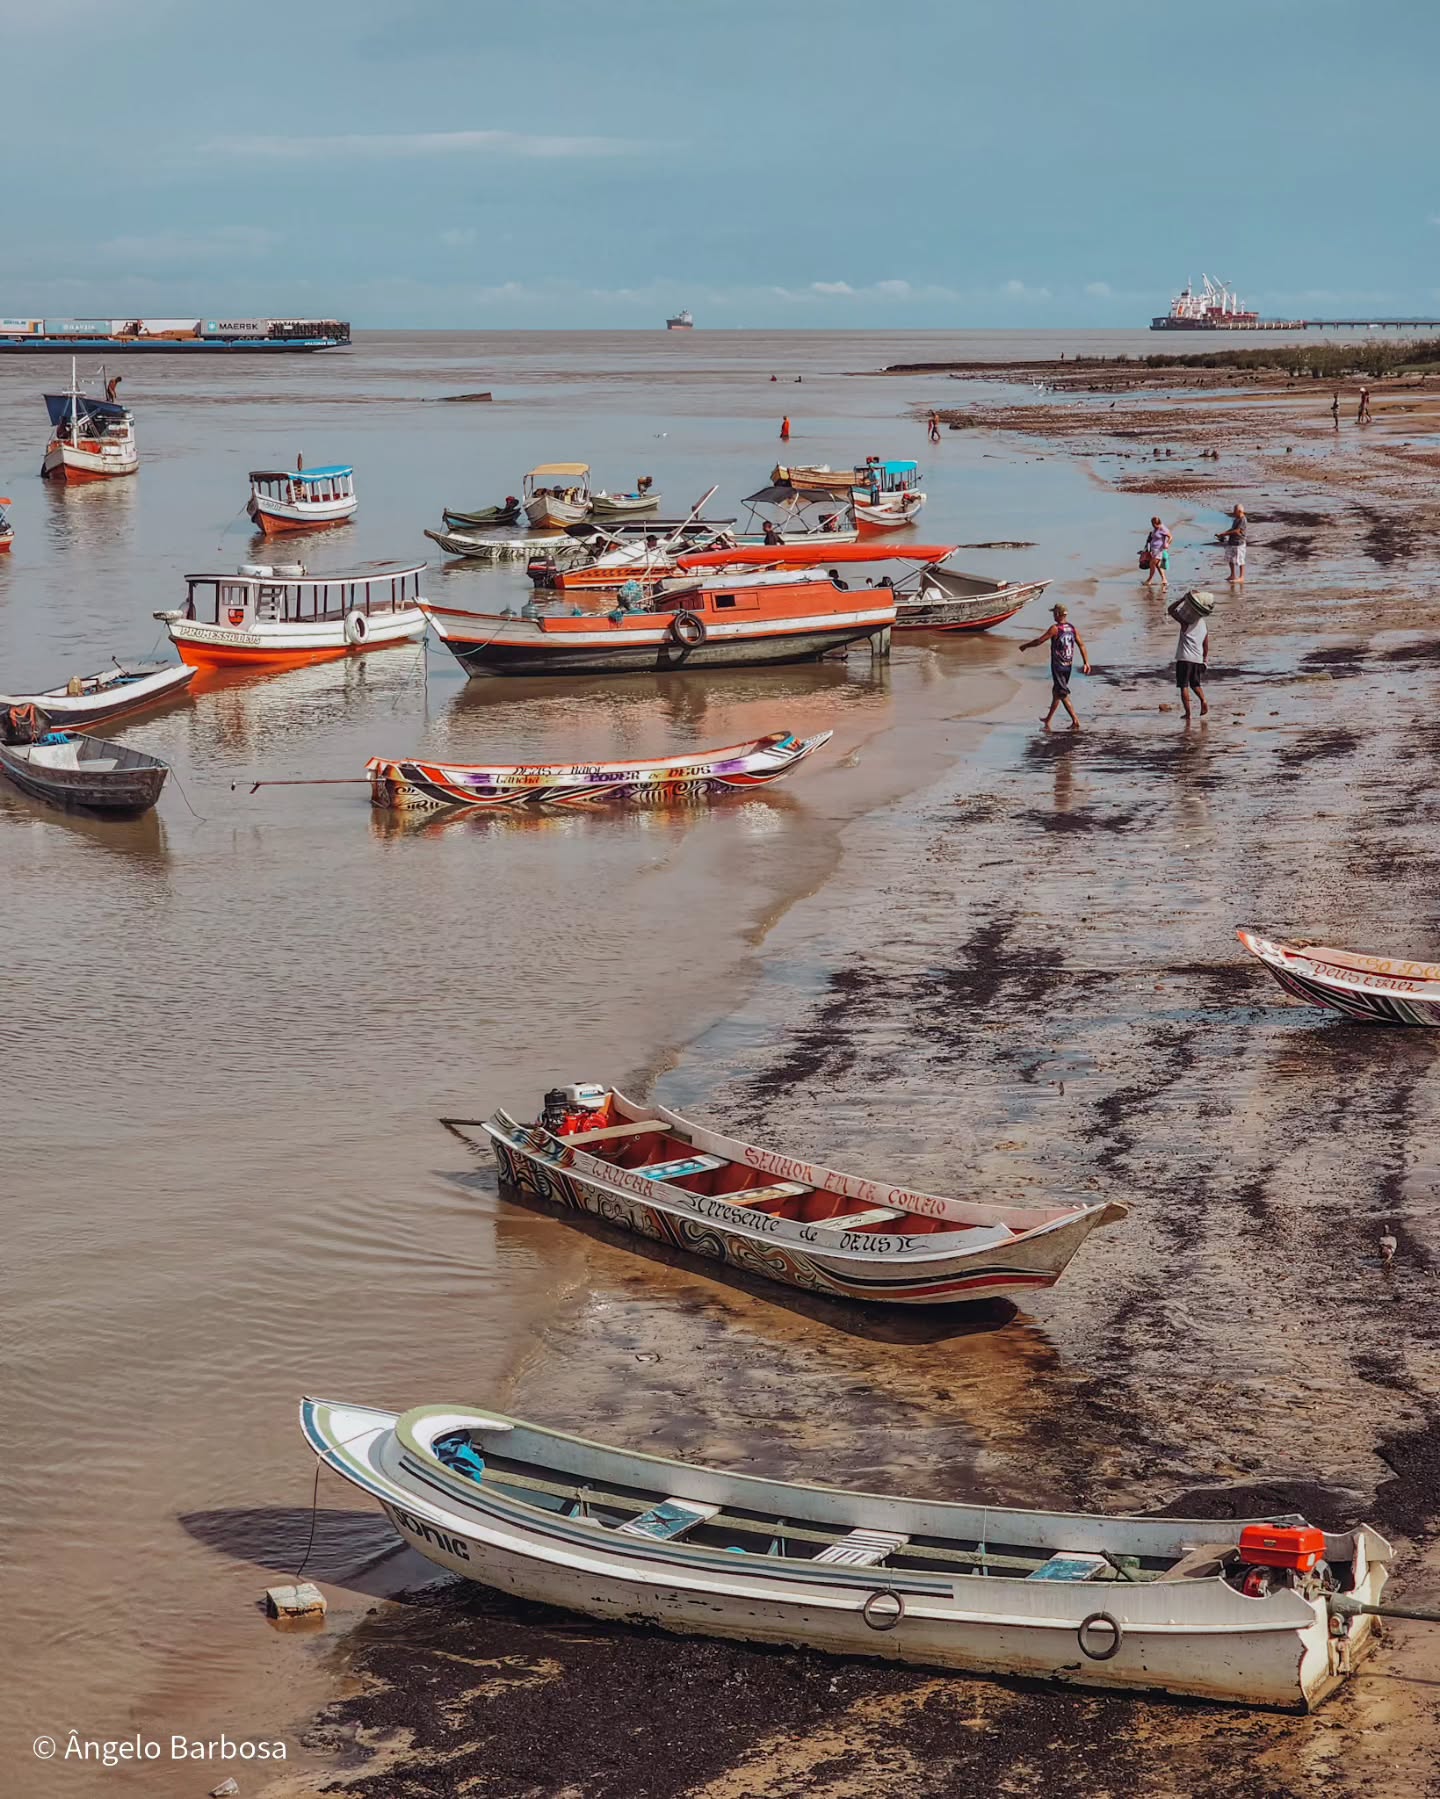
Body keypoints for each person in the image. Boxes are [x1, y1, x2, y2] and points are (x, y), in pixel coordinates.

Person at [1021, 601, 1092, 732]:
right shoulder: (1072, 628)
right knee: (1056, 692)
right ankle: (1048, 719)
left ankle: (1075, 720)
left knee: (1062, 693)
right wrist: (1086, 662)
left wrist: (1025, 646)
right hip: (1068, 666)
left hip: (1058, 666)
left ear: (1058, 614)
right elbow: (1081, 644)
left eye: (1054, 613)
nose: (1053, 615)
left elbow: (1039, 641)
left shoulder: (1055, 629)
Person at [1167, 596, 1210, 722]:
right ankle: (1204, 701)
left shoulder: (1186, 622)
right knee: (1195, 684)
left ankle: (1188, 713)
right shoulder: (1203, 624)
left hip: (1185, 658)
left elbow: (1170, 610)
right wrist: (1205, 660)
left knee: (1183, 686)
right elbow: (1206, 644)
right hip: (1197, 658)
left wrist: (1181, 599)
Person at [1142, 516, 1172, 590]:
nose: (1153, 526)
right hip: (1154, 550)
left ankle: (1149, 580)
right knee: (1158, 565)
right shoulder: (1155, 529)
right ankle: (1164, 580)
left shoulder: (1162, 528)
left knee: (1152, 563)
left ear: (1156, 523)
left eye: (1153, 524)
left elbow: (1170, 537)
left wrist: (1167, 544)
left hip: (1159, 550)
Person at [1220, 504, 1246, 584]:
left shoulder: (1243, 519)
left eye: (1235, 511)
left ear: (1240, 511)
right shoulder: (1236, 519)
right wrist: (1223, 533)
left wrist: (1225, 534)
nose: (1234, 512)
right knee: (1230, 558)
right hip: (1232, 541)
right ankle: (1232, 575)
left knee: (1240, 560)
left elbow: (1237, 531)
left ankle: (1241, 577)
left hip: (1239, 542)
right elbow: (1232, 529)